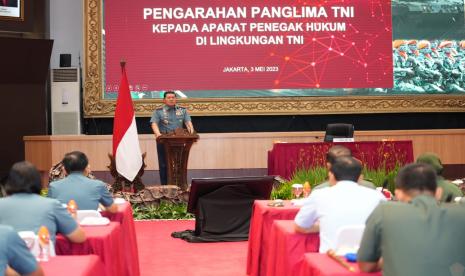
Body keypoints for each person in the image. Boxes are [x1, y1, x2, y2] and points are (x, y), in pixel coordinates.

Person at [358, 163, 465, 275]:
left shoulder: (384, 211)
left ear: (398, 194)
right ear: (438, 193)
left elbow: (366, 265)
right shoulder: (461, 213)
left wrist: (391, 258)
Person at [294, 156, 386, 253]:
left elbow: (300, 226)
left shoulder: (319, 195)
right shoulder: (378, 197)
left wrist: (323, 225)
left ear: (331, 175)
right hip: (369, 260)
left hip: (331, 261)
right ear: (360, 178)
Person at [0, 161, 86, 243]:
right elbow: (79, 237)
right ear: (38, 181)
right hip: (44, 256)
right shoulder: (52, 205)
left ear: (9, 182)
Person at [48, 151, 117, 212]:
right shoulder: (98, 185)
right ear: (86, 168)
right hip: (92, 225)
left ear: (64, 170)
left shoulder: (53, 186)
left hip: (64, 226)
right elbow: (113, 209)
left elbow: (50, 210)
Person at [150, 91, 194, 185]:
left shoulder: (182, 110)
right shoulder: (158, 111)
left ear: (176, 99)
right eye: (169, 97)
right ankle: (165, 186)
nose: (171, 99)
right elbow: (154, 123)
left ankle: (180, 185)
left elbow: (188, 123)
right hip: (164, 141)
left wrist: (191, 133)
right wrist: (158, 135)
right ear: (164, 100)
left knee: (179, 164)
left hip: (179, 141)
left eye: (173, 97)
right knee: (164, 164)